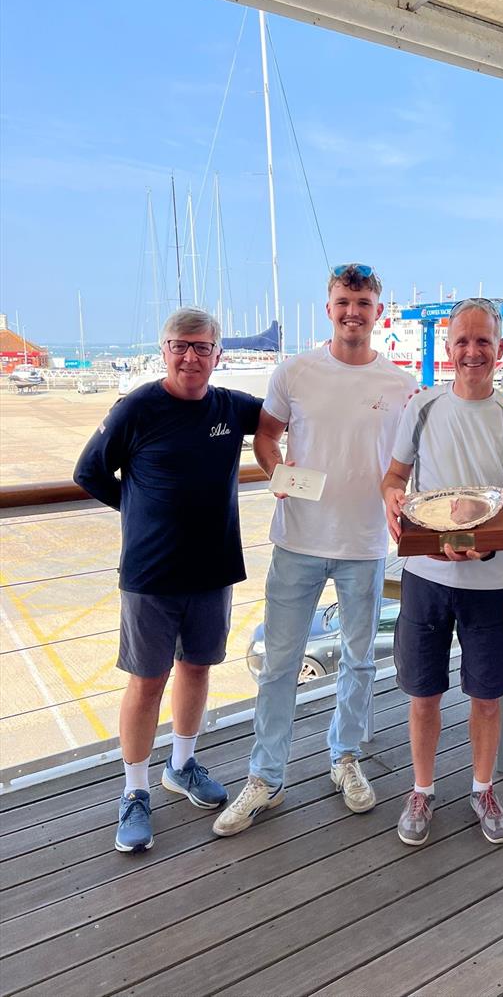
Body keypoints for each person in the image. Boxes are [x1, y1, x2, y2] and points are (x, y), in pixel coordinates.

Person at [213, 264, 418, 836]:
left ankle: (345, 757)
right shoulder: (295, 371)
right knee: (279, 663)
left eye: (363, 302)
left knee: (358, 660)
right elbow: (266, 438)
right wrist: (277, 471)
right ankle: (266, 777)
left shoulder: (401, 386)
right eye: (343, 301)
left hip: (364, 544)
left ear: (379, 311)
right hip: (298, 539)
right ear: (328, 307)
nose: (353, 312)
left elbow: (408, 466)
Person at [74, 307, 267, 853]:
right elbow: (88, 473)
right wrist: (137, 510)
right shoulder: (137, 407)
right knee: (146, 681)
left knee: (198, 668)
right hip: (151, 574)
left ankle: (181, 765)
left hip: (213, 569)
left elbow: (288, 418)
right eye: (180, 346)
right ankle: (135, 790)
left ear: (218, 356)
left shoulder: (231, 407)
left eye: (202, 347)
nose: (190, 356)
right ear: (164, 351)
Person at [382, 298, 503, 847]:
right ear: (448, 350)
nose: (472, 351)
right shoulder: (422, 408)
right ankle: (421, 789)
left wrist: (489, 545)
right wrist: (393, 506)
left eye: (483, 341)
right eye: (462, 342)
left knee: (487, 694)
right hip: (425, 579)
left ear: (500, 350)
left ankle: (482, 787)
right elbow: (393, 480)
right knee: (422, 693)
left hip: (489, 584)